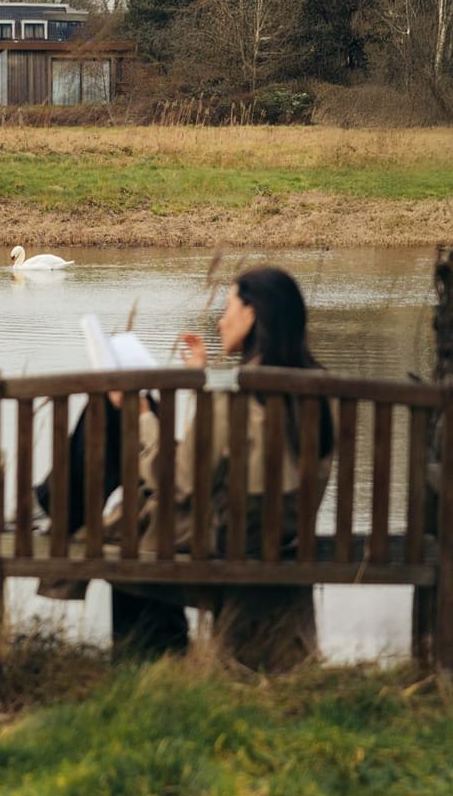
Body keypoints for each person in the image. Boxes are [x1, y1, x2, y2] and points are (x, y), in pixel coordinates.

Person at [34, 266, 336, 652]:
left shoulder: (238, 394)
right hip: (281, 532)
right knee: (128, 432)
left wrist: (142, 414)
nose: (222, 321)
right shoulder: (318, 387)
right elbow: (247, 450)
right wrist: (204, 381)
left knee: (113, 419)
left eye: (229, 308)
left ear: (253, 314)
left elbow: (178, 482)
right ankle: (53, 503)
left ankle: (52, 507)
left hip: (226, 537)